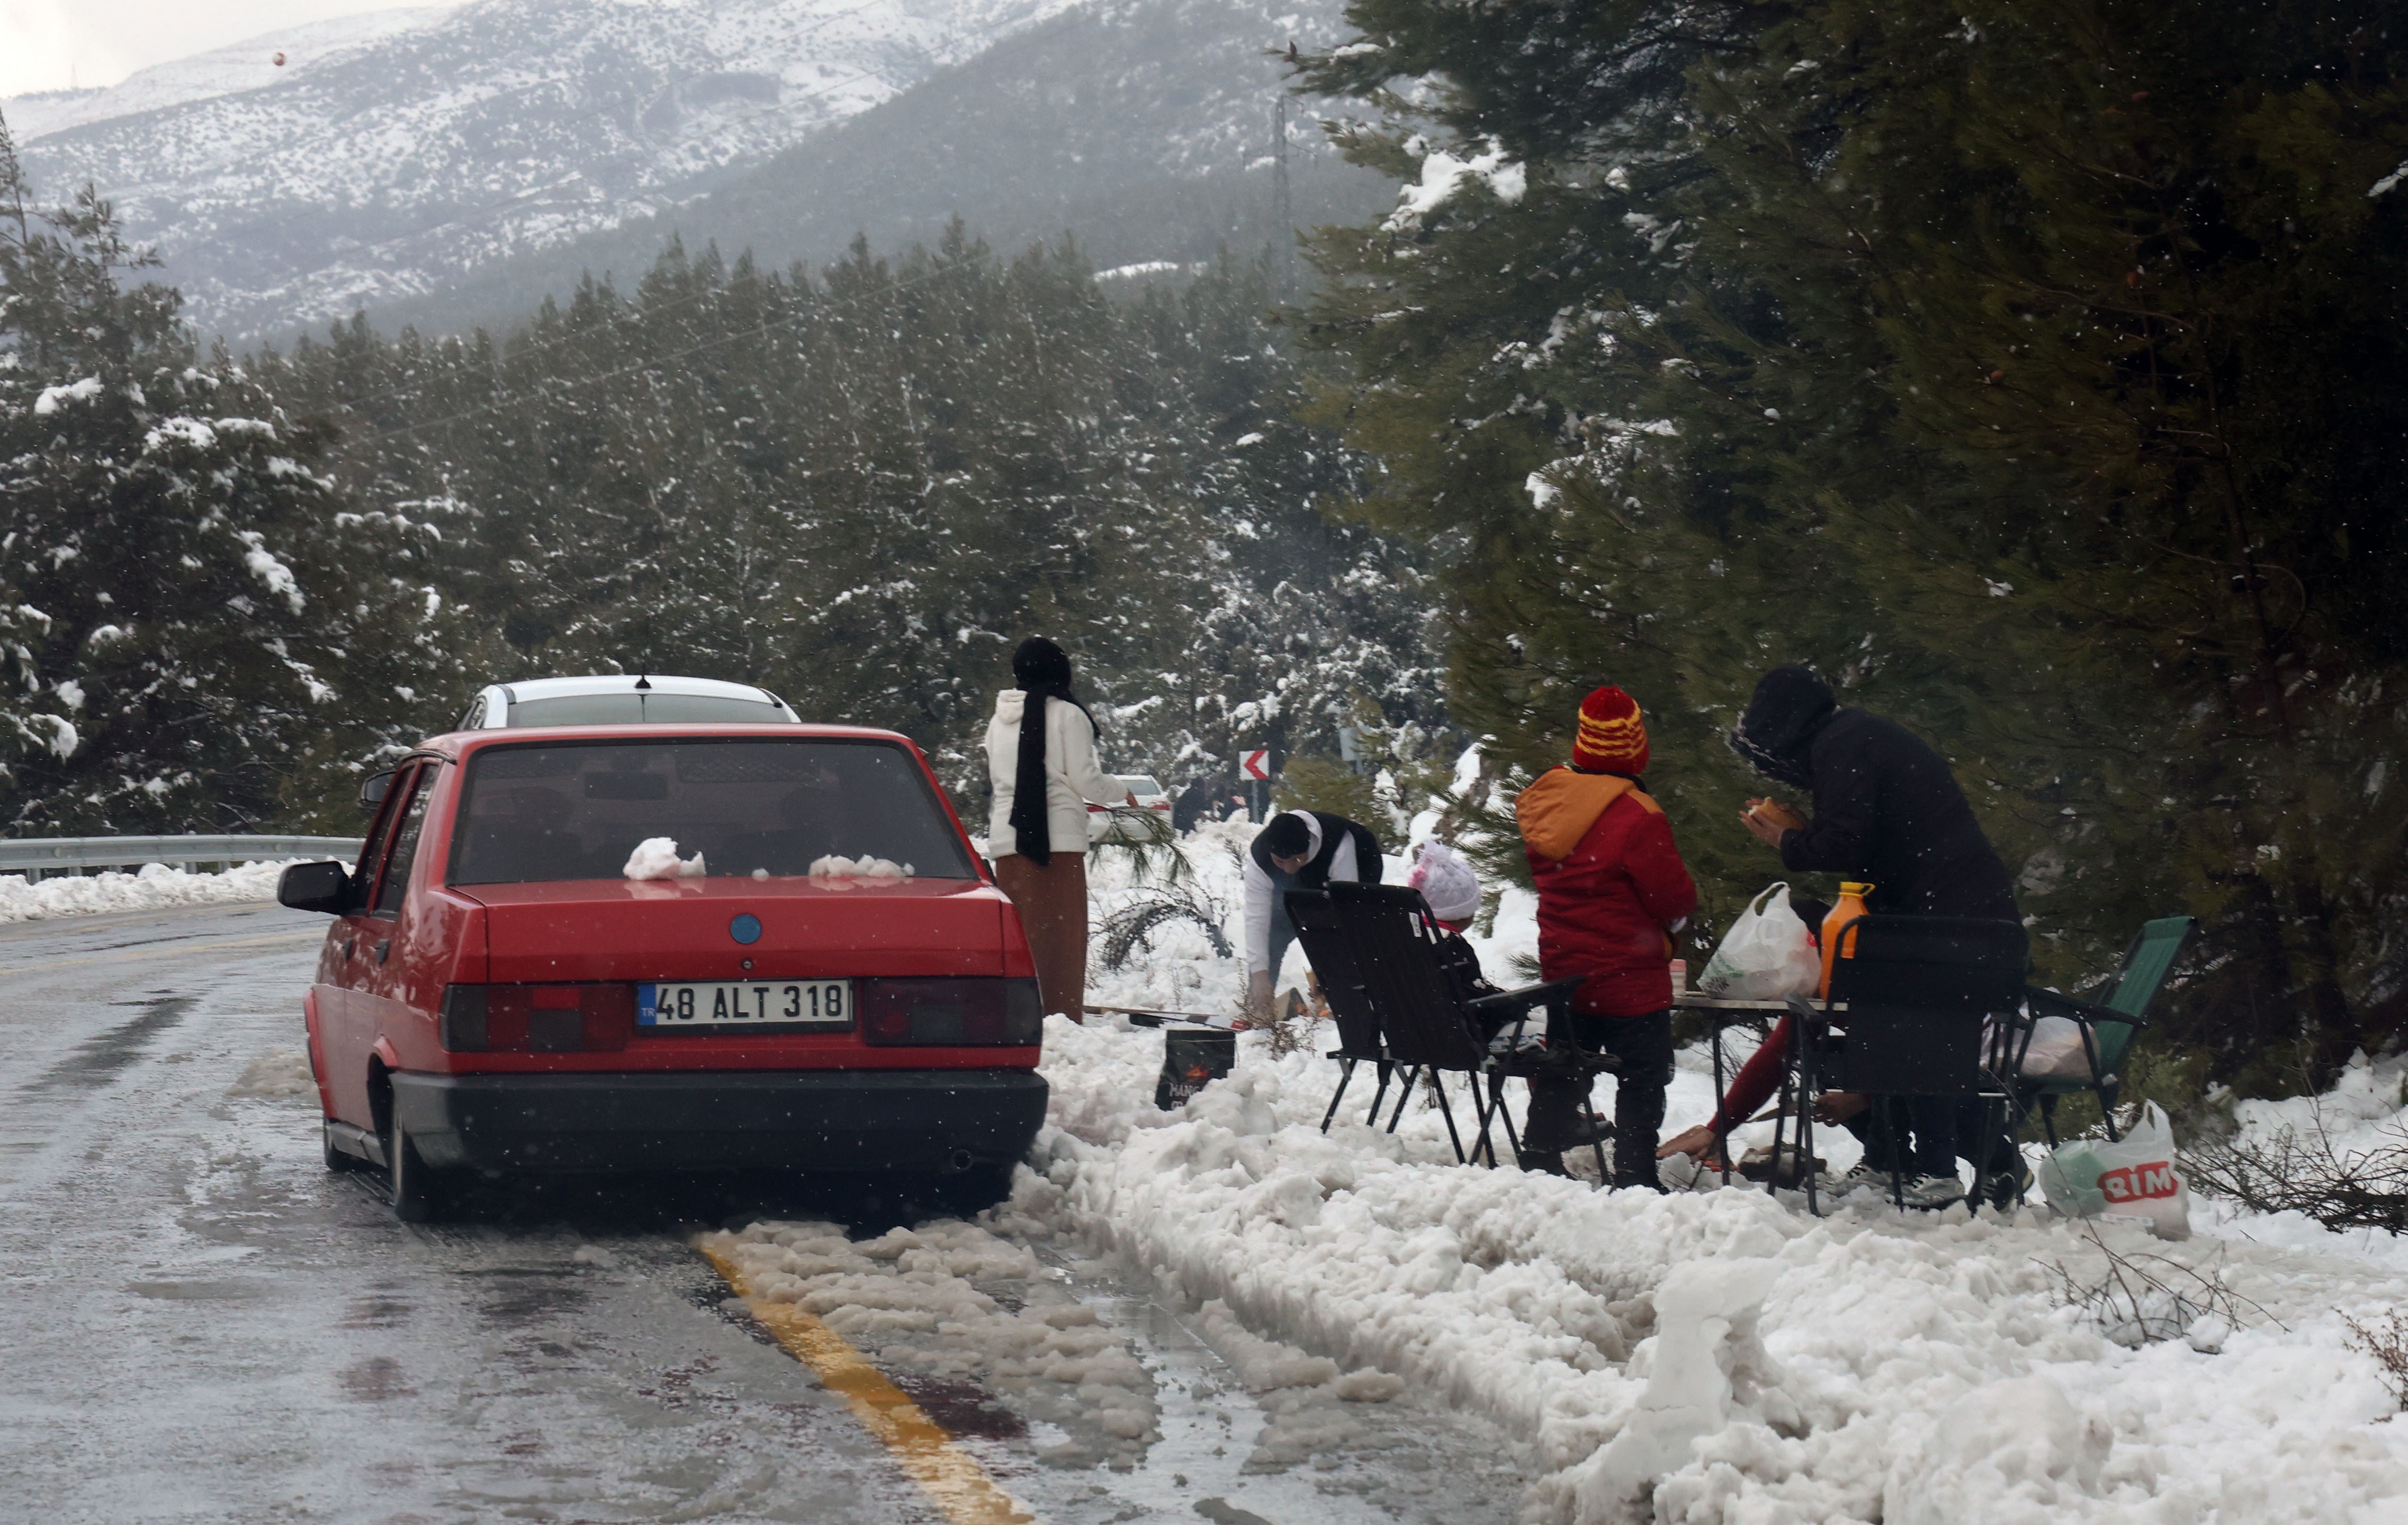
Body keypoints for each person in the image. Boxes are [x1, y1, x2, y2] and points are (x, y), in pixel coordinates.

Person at [1658, 665, 2025, 1208]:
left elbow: (1849, 845)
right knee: (1890, 1025)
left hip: (1953, 920)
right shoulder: (1853, 737)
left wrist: (1787, 840)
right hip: (1953, 911)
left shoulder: (1842, 744)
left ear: (1786, 730)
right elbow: (1871, 836)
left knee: (1909, 1031)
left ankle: (1936, 1170)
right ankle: (1889, 1162)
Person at [1515, 685, 1696, 1188]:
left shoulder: (1547, 804)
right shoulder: (1638, 816)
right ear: (1636, 749)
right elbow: (1673, 900)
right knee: (1643, 1075)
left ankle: (1540, 1154)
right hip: (1629, 977)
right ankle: (1636, 1172)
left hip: (1565, 973)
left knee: (1564, 1068)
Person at [983, 638, 1135, 1023]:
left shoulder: (997, 721)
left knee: (1022, 939)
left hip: (1008, 839)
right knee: (1061, 940)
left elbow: (999, 781)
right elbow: (1086, 781)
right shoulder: (1069, 715)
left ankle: (1018, 1016)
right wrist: (1121, 790)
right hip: (1058, 841)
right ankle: (1059, 1017)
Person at [1241, 807, 1383, 1021]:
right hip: (1298, 887)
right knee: (1274, 933)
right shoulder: (1260, 858)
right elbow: (1256, 918)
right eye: (1280, 862)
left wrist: (1325, 967)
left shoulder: (1339, 846)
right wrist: (1259, 975)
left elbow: (1346, 915)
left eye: (1296, 860)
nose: (1288, 869)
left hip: (1361, 868)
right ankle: (1259, 1004)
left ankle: (1353, 1005)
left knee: (1357, 938)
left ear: (1309, 846)